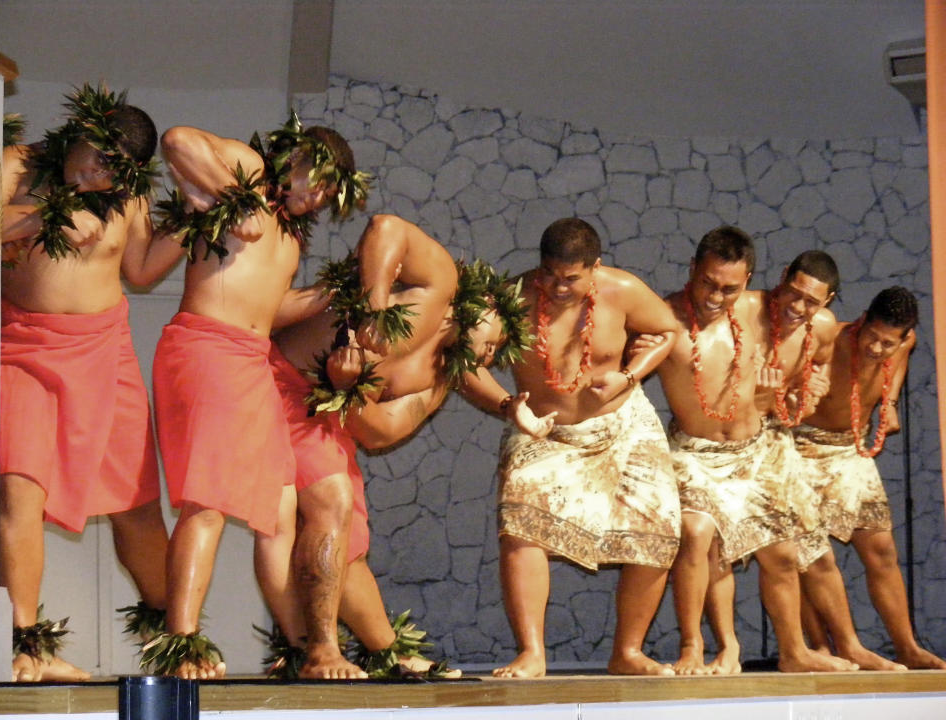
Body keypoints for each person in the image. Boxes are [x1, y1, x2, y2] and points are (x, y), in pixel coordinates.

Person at [263, 214, 534, 678]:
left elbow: (380, 432)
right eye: (497, 342)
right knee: (334, 500)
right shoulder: (437, 285)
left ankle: (384, 652)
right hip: (275, 381)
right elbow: (385, 227)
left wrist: (348, 388)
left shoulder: (437, 380)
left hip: (326, 412)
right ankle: (321, 650)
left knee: (351, 539)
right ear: (486, 307)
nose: (491, 357)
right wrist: (373, 306)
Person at [148, 114, 367, 679]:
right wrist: (234, 198)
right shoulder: (247, 171)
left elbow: (265, 312)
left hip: (249, 361)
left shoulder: (290, 235)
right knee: (208, 504)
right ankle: (181, 646)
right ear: (292, 159)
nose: (316, 199)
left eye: (327, 194)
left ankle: (306, 649)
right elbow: (177, 139)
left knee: (281, 509)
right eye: (314, 182)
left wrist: (326, 294)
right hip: (205, 350)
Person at [0, 85, 182, 681]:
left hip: (106, 351)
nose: (103, 179)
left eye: (118, 173)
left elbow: (140, 268)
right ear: (84, 130)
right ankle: (23, 642)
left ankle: (176, 638)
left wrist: (193, 220)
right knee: (18, 490)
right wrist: (49, 211)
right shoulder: (16, 165)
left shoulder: (125, 194)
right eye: (99, 163)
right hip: (22, 349)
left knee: (137, 509)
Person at [459, 217, 681, 678]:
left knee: (659, 527)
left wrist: (631, 374)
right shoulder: (510, 299)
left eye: (572, 278)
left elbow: (668, 331)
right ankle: (532, 654)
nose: (558, 288)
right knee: (520, 522)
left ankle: (629, 652)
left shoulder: (622, 290)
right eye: (550, 275)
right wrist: (507, 405)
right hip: (543, 429)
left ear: (594, 269)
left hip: (621, 422)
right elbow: (460, 360)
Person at [652, 226, 855, 675]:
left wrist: (809, 384)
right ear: (693, 270)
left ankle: (795, 652)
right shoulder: (666, 316)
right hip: (695, 450)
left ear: (749, 281)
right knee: (697, 534)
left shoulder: (768, 312)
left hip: (754, 449)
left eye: (729, 288)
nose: (715, 296)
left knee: (782, 554)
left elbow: (816, 351)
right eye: (708, 282)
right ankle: (697, 647)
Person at [792, 287, 946, 670]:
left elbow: (898, 362)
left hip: (851, 449)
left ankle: (907, 646)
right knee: (809, 555)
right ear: (862, 321)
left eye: (887, 343)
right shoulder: (834, 341)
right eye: (873, 337)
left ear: (904, 336)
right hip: (802, 448)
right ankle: (826, 647)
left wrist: (889, 403)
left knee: (881, 552)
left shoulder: (904, 343)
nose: (877, 349)